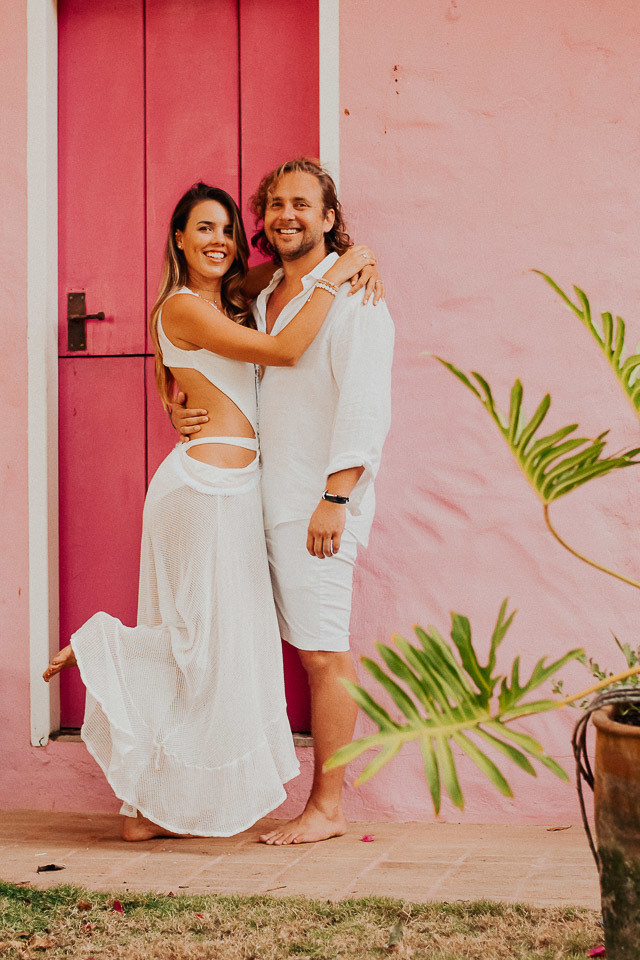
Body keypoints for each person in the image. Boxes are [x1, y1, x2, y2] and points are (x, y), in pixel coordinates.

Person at [43, 182, 378, 841]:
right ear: (178, 238)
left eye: (227, 227)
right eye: (203, 228)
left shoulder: (222, 299)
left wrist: (354, 250)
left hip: (224, 488)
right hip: (205, 491)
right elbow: (284, 351)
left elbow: (277, 272)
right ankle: (101, 652)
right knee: (203, 642)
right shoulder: (185, 308)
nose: (218, 239)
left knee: (211, 645)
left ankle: (150, 810)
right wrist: (340, 274)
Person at [173, 159, 394, 845]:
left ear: (329, 217)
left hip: (316, 506)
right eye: (274, 205)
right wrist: (178, 403)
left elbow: (365, 405)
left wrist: (338, 496)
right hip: (251, 499)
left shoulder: (357, 299)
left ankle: (327, 808)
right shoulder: (263, 292)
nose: (286, 214)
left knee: (323, 653)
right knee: (239, 646)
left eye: (302, 203)